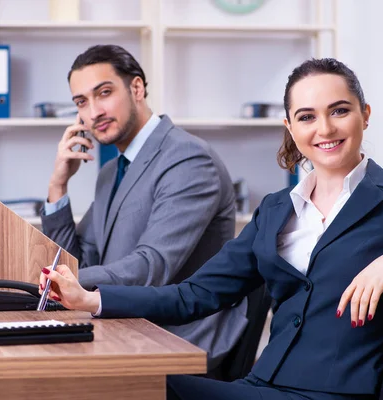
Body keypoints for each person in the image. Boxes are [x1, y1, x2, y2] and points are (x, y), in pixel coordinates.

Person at [39, 58, 383, 399]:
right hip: (260, 384)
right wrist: (91, 299)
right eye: (307, 117)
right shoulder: (277, 209)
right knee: (123, 383)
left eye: (340, 111)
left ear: (364, 115)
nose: (325, 128)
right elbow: (193, 295)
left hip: (330, 393)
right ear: (290, 128)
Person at [40, 44, 248, 370]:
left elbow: (152, 267)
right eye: (82, 102)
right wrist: (58, 187)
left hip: (178, 339)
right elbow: (82, 260)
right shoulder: (111, 171)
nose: (93, 112)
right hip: (123, 326)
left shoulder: (188, 158)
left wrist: (55, 281)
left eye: (104, 93)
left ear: (136, 87)